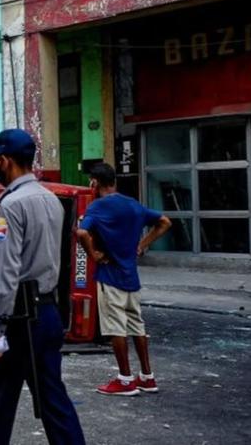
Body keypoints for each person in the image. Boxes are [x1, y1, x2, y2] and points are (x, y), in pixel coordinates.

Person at [0, 129, 85, 445]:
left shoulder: (10, 204)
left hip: (19, 321)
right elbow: (41, 261)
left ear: (5, 161)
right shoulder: (51, 200)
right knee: (53, 401)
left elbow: (8, 271)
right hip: (47, 313)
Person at [76, 162, 172, 396]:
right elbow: (165, 222)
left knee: (115, 328)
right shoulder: (133, 205)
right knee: (137, 326)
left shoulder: (98, 207)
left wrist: (94, 255)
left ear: (94, 182)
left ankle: (125, 379)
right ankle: (147, 377)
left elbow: (81, 232)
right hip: (131, 277)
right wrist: (142, 244)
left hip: (110, 277)